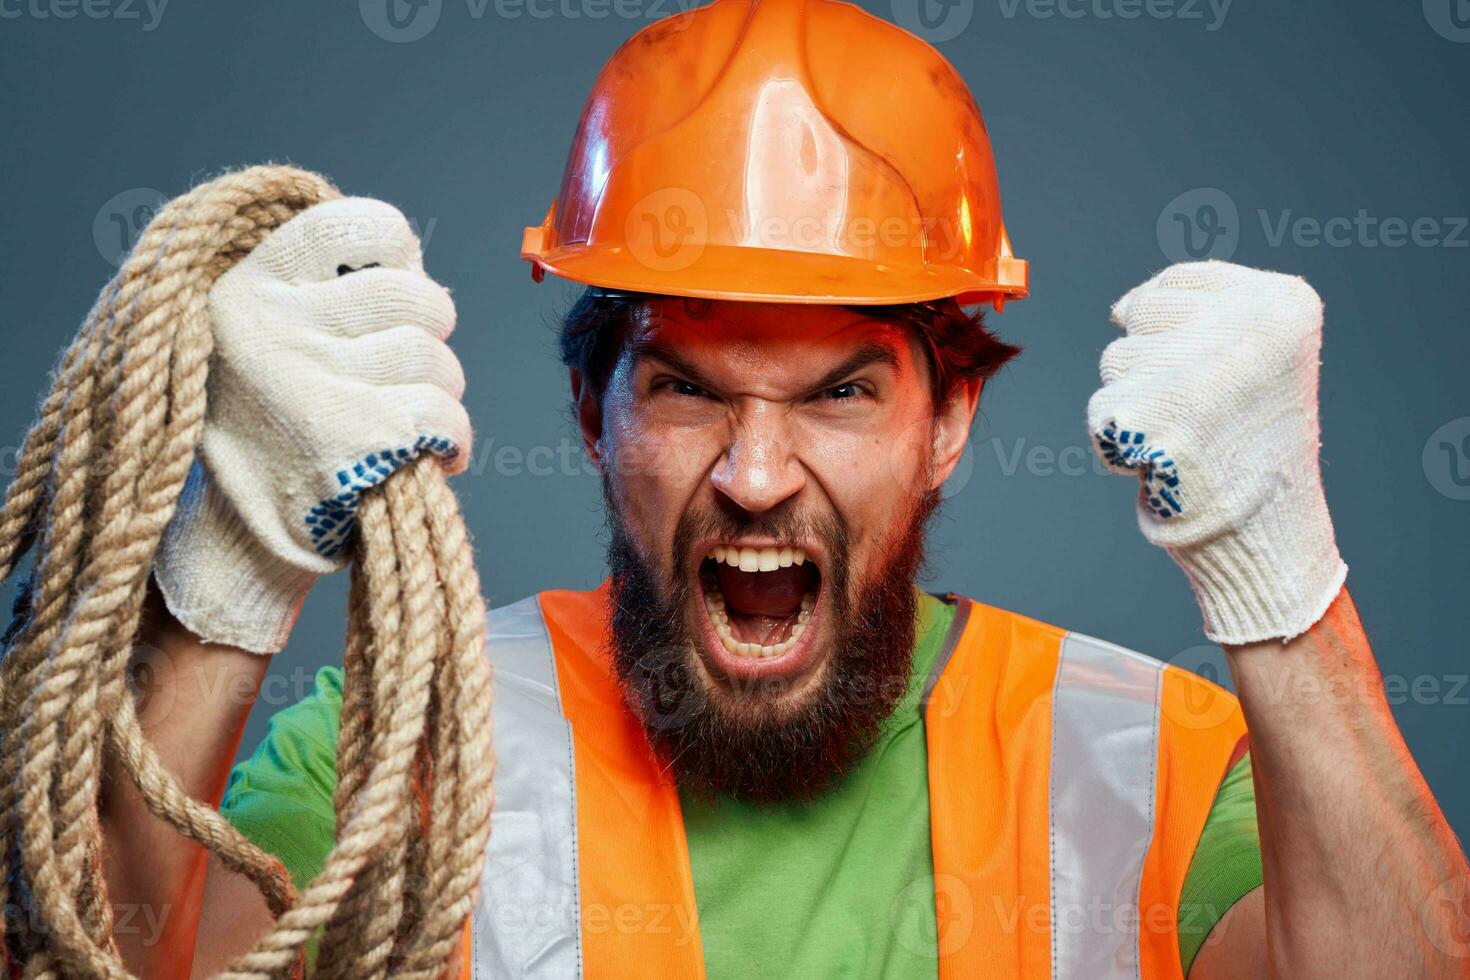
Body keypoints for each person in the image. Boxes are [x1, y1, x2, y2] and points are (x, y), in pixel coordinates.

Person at [98, 0, 1468, 977]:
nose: (755, 478)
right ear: (592, 411)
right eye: (686, 386)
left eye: (839, 391)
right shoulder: (395, 749)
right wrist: (224, 573)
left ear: (949, 423)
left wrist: (1276, 573)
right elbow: (92, 966)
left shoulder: (1152, 759)